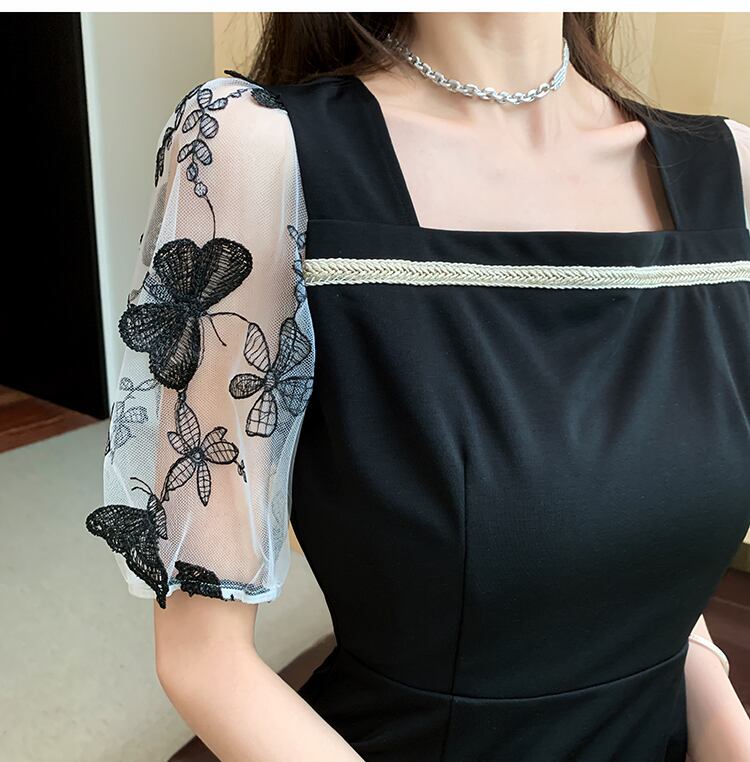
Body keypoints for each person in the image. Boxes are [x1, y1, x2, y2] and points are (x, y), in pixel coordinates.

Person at [85, 11, 750, 761]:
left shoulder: (730, 169)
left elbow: (651, 545)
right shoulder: (260, 148)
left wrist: (725, 724)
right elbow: (203, 657)